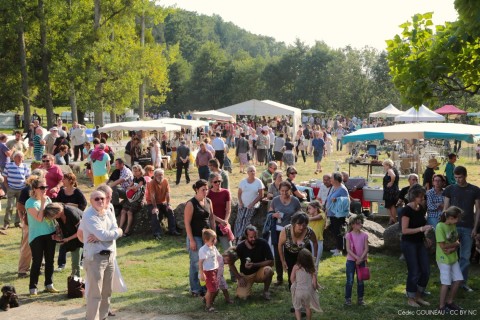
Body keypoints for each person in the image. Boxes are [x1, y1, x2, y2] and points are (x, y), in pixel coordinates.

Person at [78, 190, 123, 320]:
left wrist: (111, 234)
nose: (100, 201)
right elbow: (105, 234)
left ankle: (103, 317)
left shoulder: (108, 212)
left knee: (107, 292)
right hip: (95, 258)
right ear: (91, 201)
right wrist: (115, 233)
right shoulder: (88, 215)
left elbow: (111, 231)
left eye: (102, 198)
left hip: (109, 257)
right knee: (95, 293)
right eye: (96, 199)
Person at [443, 165, 480, 292]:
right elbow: (445, 209)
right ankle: (447, 282)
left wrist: (475, 228)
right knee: (450, 255)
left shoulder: (474, 190)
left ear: (465, 176)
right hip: (452, 226)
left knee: (465, 256)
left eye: (460, 177)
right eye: (456, 177)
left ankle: (461, 282)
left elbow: (478, 210)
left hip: (468, 226)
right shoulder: (450, 189)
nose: (458, 180)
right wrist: (444, 226)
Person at [25, 177, 59, 295]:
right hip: (37, 236)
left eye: (46, 187)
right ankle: (33, 287)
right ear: (34, 189)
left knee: (50, 260)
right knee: (37, 261)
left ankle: (49, 284)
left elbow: (52, 216)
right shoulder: (30, 202)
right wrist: (43, 203)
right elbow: (39, 219)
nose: (45, 189)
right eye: (42, 187)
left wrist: (57, 228)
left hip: (50, 233)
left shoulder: (48, 198)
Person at [400, 184, 433, 307]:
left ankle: (418, 296)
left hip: (420, 242)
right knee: (414, 271)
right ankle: (411, 298)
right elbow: (404, 230)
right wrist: (421, 229)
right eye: (421, 197)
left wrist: (425, 237)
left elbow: (421, 226)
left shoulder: (421, 208)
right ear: (414, 197)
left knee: (426, 271)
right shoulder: (406, 210)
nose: (423, 198)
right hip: (409, 244)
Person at [184, 180, 216, 297]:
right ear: (196, 189)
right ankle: (195, 289)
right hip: (195, 236)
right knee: (196, 262)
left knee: (207, 261)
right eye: (203, 189)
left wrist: (214, 235)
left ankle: (205, 286)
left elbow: (211, 218)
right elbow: (187, 223)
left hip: (207, 238)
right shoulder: (191, 204)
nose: (205, 191)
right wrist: (191, 240)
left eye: (207, 189)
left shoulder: (208, 201)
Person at [228, 225, 274, 300]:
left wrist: (254, 265)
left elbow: (271, 261)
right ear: (246, 236)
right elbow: (230, 263)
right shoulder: (240, 247)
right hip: (246, 275)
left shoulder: (263, 243)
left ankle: (266, 291)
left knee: (269, 270)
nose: (254, 239)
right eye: (251, 237)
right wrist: (239, 277)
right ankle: (244, 289)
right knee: (242, 297)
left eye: (255, 236)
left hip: (260, 271)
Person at [269, 181, 302, 285]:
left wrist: (295, 218)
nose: (284, 193)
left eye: (286, 191)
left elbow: (300, 214)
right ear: (279, 190)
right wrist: (274, 215)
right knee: (278, 255)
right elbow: (269, 213)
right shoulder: (275, 200)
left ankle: (292, 279)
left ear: (290, 190)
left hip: (290, 230)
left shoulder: (295, 201)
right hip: (278, 230)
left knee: (291, 254)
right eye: (282, 191)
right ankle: (279, 278)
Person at [278, 212, 318, 292]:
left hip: (304, 252)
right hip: (289, 252)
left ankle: (309, 288)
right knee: (292, 272)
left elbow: (315, 242)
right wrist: (283, 261)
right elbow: (280, 245)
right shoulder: (286, 231)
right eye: (299, 224)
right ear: (294, 223)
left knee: (307, 271)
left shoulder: (309, 231)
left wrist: (314, 258)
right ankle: (293, 291)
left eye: (304, 225)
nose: (302, 227)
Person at [435, 206, 464, 312]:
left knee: (458, 279)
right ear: (451, 217)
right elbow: (442, 246)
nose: (459, 220)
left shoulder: (453, 225)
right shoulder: (440, 227)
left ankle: (450, 302)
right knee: (446, 283)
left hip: (452, 257)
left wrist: (453, 248)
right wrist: (455, 244)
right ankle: (441, 307)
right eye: (458, 218)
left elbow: (457, 241)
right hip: (443, 259)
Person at [44, 203, 83, 277]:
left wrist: (68, 239)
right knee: (75, 261)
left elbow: (81, 231)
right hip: (72, 235)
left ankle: (77, 283)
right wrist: (58, 236)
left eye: (53, 216)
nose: (54, 218)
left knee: (75, 261)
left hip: (82, 236)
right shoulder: (59, 216)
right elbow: (61, 227)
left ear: (57, 212)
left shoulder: (71, 213)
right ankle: (75, 279)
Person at [146, 168, 179, 240]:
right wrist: (155, 207)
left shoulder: (165, 181)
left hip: (162, 202)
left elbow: (168, 194)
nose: (160, 177)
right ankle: (157, 233)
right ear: (154, 176)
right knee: (155, 213)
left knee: (170, 211)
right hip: (152, 203)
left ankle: (172, 230)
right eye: (158, 175)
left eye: (162, 175)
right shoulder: (151, 183)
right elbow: (152, 196)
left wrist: (168, 204)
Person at [290, 249, 322, 320]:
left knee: (297, 308)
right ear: (309, 258)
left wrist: (295, 285)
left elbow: (292, 278)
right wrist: (315, 288)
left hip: (298, 291)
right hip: (307, 292)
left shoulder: (296, 267)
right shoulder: (312, 268)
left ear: (299, 258)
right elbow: (314, 283)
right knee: (308, 307)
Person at [344, 214, 369, 306]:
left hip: (361, 261)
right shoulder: (348, 235)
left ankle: (360, 299)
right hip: (351, 261)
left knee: (360, 281)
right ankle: (348, 299)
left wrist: (361, 258)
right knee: (350, 280)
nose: (360, 225)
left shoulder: (365, 235)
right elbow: (348, 249)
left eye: (361, 223)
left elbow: (366, 248)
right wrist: (356, 258)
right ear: (353, 225)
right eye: (358, 223)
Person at [235, 166, 264, 241]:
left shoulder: (258, 182)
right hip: (242, 204)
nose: (252, 172)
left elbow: (261, 195)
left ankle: (241, 236)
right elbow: (239, 193)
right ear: (247, 173)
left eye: (254, 171)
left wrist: (252, 203)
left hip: (252, 205)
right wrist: (240, 203)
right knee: (239, 219)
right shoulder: (243, 181)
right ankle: (236, 236)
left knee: (246, 220)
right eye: (250, 171)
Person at [207, 172, 233, 255]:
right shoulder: (208, 194)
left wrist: (225, 220)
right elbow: (209, 212)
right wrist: (220, 220)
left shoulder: (226, 192)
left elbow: (228, 209)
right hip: (211, 225)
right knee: (211, 251)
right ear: (211, 182)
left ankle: (230, 267)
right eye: (215, 182)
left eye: (219, 181)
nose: (218, 183)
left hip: (223, 226)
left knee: (229, 251)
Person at [3, 151, 30, 229]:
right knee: (9, 206)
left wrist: (26, 187)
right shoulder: (8, 165)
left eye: (21, 157)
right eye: (18, 156)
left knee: (20, 207)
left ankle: (18, 222)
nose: (20, 158)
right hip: (11, 188)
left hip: (22, 189)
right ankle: (6, 223)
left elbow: (28, 177)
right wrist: (7, 187)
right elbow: (5, 177)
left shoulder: (25, 166)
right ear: (14, 158)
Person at [326, 172, 350, 256]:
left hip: (338, 215)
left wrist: (337, 199)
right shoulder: (334, 187)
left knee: (339, 231)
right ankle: (337, 247)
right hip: (332, 213)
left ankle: (340, 249)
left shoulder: (342, 189)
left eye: (331, 178)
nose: (330, 179)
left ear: (336, 180)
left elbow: (346, 201)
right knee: (335, 230)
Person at [198, 229, 222, 313]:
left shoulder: (213, 247)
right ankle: (208, 306)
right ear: (206, 240)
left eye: (215, 239)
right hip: (207, 272)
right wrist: (202, 273)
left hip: (214, 270)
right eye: (213, 240)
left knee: (215, 289)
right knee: (211, 290)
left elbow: (219, 256)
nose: (215, 241)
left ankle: (206, 299)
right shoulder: (203, 250)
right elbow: (200, 263)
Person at [307, 200, 326, 269]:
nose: (308, 210)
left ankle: (314, 278)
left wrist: (306, 218)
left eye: (310, 208)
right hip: (309, 241)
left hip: (318, 241)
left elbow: (317, 218)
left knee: (316, 261)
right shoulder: (309, 217)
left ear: (315, 208)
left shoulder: (322, 214)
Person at [382, 159, 400, 225]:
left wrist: (391, 182)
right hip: (392, 190)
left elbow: (393, 176)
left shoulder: (390, 170)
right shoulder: (394, 169)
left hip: (391, 191)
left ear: (387, 165)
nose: (384, 167)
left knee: (391, 205)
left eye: (384, 166)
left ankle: (394, 220)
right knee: (390, 205)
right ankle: (392, 219)